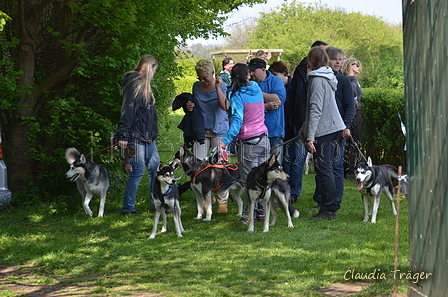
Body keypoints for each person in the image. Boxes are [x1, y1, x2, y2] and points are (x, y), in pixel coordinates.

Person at [218, 63, 270, 223]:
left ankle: (250, 215)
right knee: (262, 179)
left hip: (249, 143)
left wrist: (225, 141)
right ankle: (261, 213)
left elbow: (237, 121)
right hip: (264, 139)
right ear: (248, 75)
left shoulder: (238, 95)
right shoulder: (256, 88)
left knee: (249, 181)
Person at [300, 47, 346, 220]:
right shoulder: (326, 76)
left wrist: (310, 136)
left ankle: (329, 210)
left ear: (310, 61)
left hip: (326, 129)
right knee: (325, 168)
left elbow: (316, 109)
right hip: (333, 127)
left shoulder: (318, 79)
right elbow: (318, 108)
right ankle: (329, 206)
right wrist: (305, 127)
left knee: (324, 169)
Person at [114, 54, 161, 215]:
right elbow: (127, 111)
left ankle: (157, 205)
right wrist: (123, 135)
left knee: (156, 169)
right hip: (135, 136)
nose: (155, 72)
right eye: (155, 69)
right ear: (150, 67)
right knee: (138, 171)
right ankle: (128, 208)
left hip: (148, 137)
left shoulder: (144, 84)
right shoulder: (134, 84)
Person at [310, 47, 355, 210]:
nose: (338, 62)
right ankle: (322, 199)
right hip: (323, 128)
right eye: (335, 59)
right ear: (326, 59)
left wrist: (346, 126)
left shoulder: (343, 81)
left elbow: (350, 106)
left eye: (341, 59)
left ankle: (334, 202)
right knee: (323, 167)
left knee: (334, 166)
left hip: (337, 129)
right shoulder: (322, 78)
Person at [185, 59, 230, 213]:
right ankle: (207, 197)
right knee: (197, 166)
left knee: (220, 167)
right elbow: (193, 105)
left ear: (212, 73)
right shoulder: (196, 87)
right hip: (201, 130)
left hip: (220, 130)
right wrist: (188, 107)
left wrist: (217, 87)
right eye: (200, 78)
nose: (203, 81)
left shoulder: (223, 85)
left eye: (206, 78)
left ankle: (223, 202)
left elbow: (225, 106)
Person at [269, 60, 305, 203]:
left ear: (284, 73)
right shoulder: (274, 88)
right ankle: (282, 189)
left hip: (296, 129)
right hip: (281, 130)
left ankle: (294, 193)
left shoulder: (294, 85)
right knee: (284, 161)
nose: (273, 77)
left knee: (297, 160)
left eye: (275, 74)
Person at [248, 58, 286, 161]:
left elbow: (278, 99)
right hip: (255, 135)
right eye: (250, 71)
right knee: (258, 170)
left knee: (275, 169)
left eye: (254, 71)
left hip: (275, 133)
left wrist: (258, 93)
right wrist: (264, 106)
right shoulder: (249, 84)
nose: (251, 73)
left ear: (263, 70)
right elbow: (247, 106)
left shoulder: (276, 81)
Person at [341, 58, 363, 178]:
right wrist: (355, 104)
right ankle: (349, 169)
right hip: (354, 114)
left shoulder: (347, 79)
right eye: (357, 64)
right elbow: (353, 95)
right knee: (354, 140)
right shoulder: (352, 80)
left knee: (350, 141)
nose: (359, 67)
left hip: (351, 113)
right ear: (349, 66)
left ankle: (346, 167)